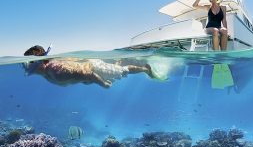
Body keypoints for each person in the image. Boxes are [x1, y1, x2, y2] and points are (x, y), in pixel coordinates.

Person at [23, 45, 157, 88]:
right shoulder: (46, 73)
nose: (27, 67)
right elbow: (80, 76)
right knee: (115, 70)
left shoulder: (56, 71)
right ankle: (118, 61)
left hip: (94, 69)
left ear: (40, 62)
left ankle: (146, 69)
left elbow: (89, 74)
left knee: (122, 72)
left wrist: (103, 84)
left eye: (30, 63)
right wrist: (85, 81)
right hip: (87, 73)